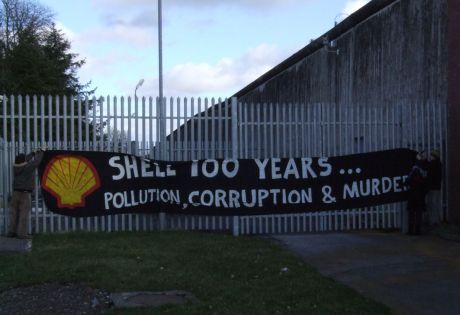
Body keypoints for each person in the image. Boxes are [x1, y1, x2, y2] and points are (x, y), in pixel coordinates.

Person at [7, 148, 45, 239]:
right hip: (25, 194)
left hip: (15, 193)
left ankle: (11, 232)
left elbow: (24, 160)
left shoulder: (16, 167)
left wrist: (32, 153)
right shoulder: (28, 167)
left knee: (13, 214)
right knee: (23, 214)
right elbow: (36, 162)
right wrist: (42, 152)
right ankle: (22, 234)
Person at [405, 150, 428, 235]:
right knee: (419, 215)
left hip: (412, 197)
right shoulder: (423, 176)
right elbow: (426, 186)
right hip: (420, 197)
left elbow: (406, 182)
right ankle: (417, 230)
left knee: (411, 214)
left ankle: (411, 230)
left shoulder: (411, 175)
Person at [426, 149, 442, 225]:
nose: (430, 156)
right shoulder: (439, 164)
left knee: (431, 204)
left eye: (431, 155)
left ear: (434, 156)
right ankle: (436, 220)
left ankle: (432, 221)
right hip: (437, 187)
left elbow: (428, 174)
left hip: (431, 187)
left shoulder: (432, 164)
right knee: (435, 204)